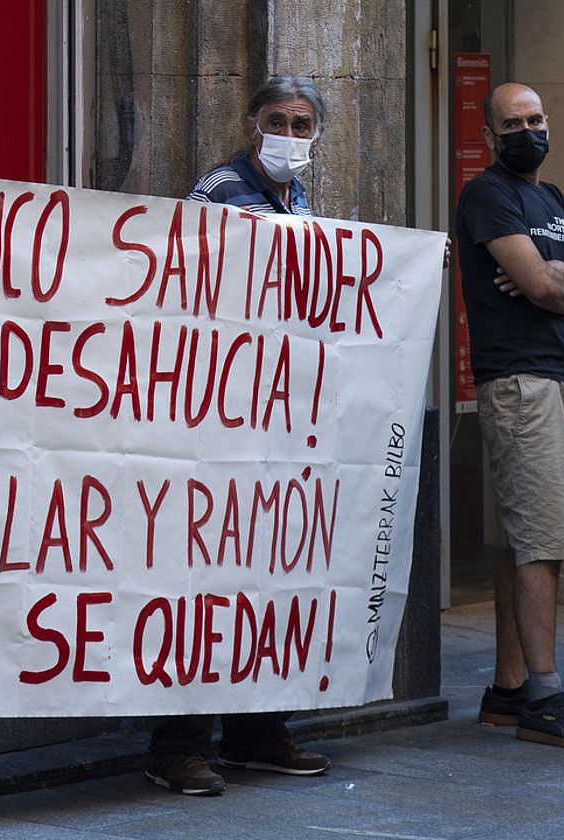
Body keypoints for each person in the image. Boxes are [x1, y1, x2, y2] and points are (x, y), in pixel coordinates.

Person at [144, 76, 335, 797]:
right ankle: (179, 744)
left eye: (303, 122)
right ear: (253, 124)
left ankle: (259, 730)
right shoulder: (221, 188)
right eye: (279, 120)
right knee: (205, 579)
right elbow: (183, 279)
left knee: (271, 575)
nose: (290, 132)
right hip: (219, 414)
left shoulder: (301, 199)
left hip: (278, 416)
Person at [456, 82, 564, 749]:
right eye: (514, 123)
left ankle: (509, 687)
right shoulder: (486, 194)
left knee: (528, 539)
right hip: (522, 381)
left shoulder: (551, 200)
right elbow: (543, 286)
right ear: (494, 136)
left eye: (537, 119)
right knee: (544, 543)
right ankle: (546, 698)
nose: (529, 131)